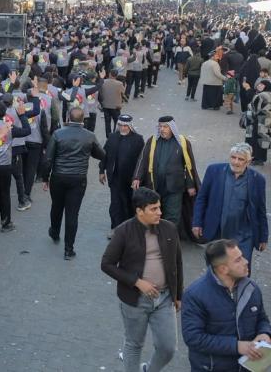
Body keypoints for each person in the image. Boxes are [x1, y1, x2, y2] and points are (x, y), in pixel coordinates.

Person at [100, 188, 182, 372]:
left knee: (168, 348)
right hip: (135, 300)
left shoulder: (169, 228)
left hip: (164, 298)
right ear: (139, 211)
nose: (159, 212)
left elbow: (177, 262)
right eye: (153, 209)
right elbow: (107, 264)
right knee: (134, 344)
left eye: (159, 207)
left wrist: (178, 295)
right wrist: (137, 282)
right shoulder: (124, 231)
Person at [181, 239, 271, 371]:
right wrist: (237, 346)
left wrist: (264, 333)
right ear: (223, 269)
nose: (246, 261)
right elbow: (194, 338)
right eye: (238, 260)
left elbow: (261, 318)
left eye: (242, 256)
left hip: (247, 367)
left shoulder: (251, 288)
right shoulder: (195, 295)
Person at [41, 107, 105, 259]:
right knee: (72, 213)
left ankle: (54, 232)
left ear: (68, 118)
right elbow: (101, 154)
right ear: (83, 120)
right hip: (78, 178)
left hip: (58, 176)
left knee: (56, 206)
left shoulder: (58, 134)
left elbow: (48, 159)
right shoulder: (89, 136)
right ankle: (68, 250)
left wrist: (45, 178)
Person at [192, 143, 268, 270]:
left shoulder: (258, 180)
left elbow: (261, 210)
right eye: (233, 157)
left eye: (241, 159)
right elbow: (202, 198)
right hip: (217, 233)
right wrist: (197, 222)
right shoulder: (214, 171)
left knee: (241, 270)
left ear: (249, 161)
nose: (236, 162)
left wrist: (263, 237)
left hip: (244, 236)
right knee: (216, 269)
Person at [133, 116, 200, 237]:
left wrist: (190, 185)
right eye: (160, 126)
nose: (162, 129)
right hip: (155, 186)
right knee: (154, 213)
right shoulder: (152, 141)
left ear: (172, 128)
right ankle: (155, 237)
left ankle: (169, 239)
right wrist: (137, 177)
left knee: (173, 215)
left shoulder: (182, 142)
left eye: (165, 127)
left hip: (175, 187)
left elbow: (190, 165)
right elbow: (142, 159)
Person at [99, 114, 145, 233]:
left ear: (130, 126)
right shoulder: (112, 137)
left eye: (125, 126)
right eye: (120, 125)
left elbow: (142, 160)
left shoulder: (138, 139)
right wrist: (101, 171)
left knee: (129, 203)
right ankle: (115, 228)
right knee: (115, 204)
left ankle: (129, 228)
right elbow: (104, 154)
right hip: (114, 177)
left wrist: (138, 178)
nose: (123, 128)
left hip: (130, 179)